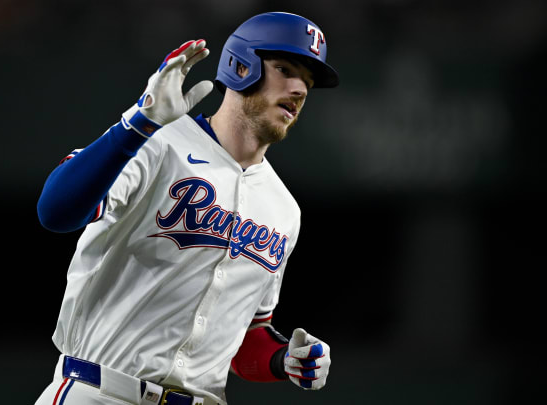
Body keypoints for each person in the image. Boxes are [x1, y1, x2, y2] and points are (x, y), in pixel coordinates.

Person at [34, 11, 339, 405]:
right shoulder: (157, 142)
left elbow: (245, 339)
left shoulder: (283, 209)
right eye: (285, 69)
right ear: (240, 65)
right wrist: (139, 123)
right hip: (101, 391)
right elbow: (56, 211)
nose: (299, 89)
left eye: (308, 82)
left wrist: (283, 360)